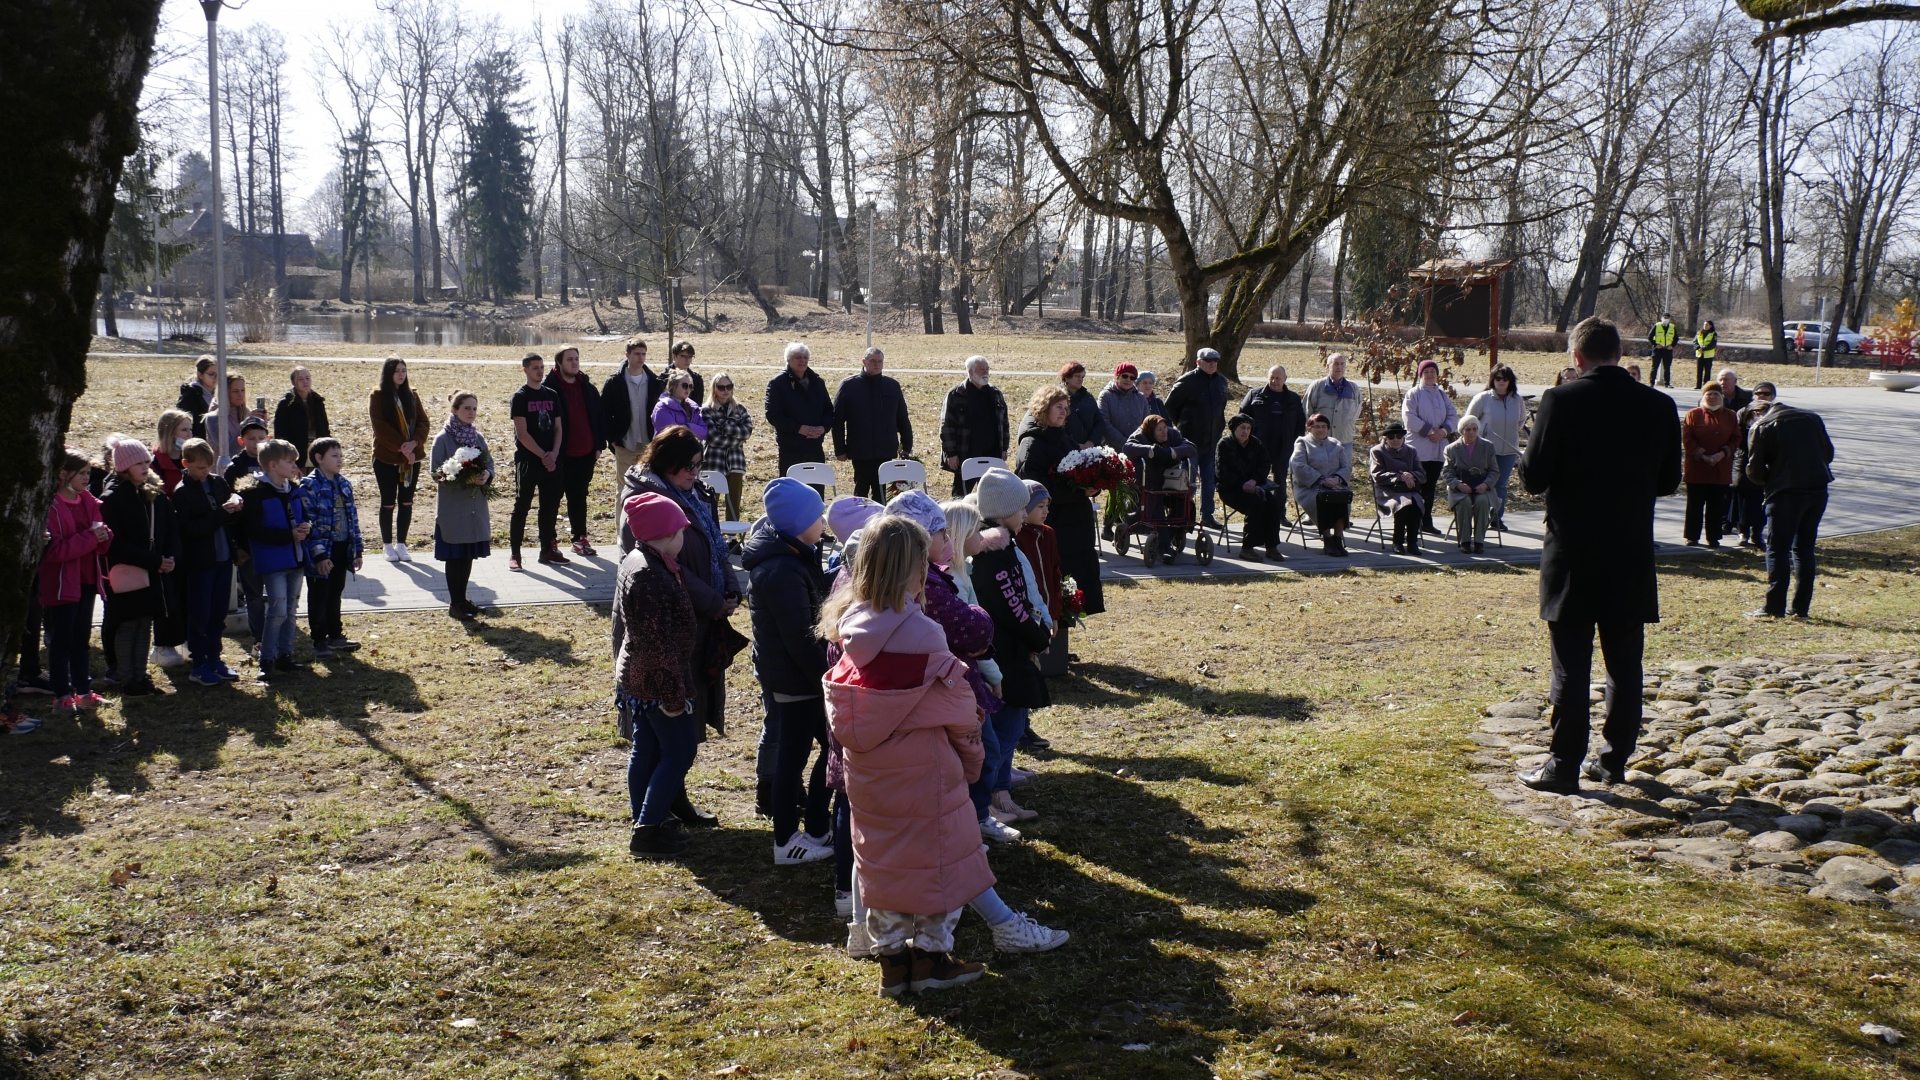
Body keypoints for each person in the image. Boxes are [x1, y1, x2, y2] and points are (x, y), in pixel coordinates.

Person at [817, 514, 993, 997]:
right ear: (915, 571)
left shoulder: (848, 628)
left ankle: (892, 965)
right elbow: (957, 708)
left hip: (868, 768)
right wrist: (973, 758)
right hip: (924, 767)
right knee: (940, 862)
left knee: (885, 862)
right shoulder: (923, 634)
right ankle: (931, 960)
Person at [1516, 316, 1682, 794]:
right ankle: (1613, 761)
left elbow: (1534, 479)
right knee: (1625, 666)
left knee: (1571, 664)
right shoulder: (1659, 404)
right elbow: (1669, 481)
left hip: (1573, 553)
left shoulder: (1560, 400)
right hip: (1629, 551)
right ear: (1619, 352)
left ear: (1576, 356)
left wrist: (1529, 452)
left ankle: (1564, 765)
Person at [616, 425, 741, 828]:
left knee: (683, 722)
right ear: (666, 463)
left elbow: (716, 546)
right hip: (667, 629)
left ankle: (667, 804)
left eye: (698, 465)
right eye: (687, 466)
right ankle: (653, 817)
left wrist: (731, 586)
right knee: (667, 734)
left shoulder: (695, 494)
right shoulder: (645, 502)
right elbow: (667, 568)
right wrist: (713, 601)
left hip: (696, 623)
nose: (694, 473)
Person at [745, 477, 835, 865]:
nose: (824, 522)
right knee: (793, 759)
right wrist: (828, 679)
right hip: (796, 680)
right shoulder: (781, 570)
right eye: (818, 516)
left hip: (803, 676)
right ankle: (785, 840)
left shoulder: (797, 553)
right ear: (798, 524)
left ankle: (816, 827)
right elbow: (800, 639)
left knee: (831, 747)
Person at [967, 468, 1051, 845]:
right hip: (1003, 652)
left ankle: (1001, 792)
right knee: (1006, 728)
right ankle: (993, 797)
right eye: (1020, 508)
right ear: (1004, 511)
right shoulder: (993, 552)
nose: (1024, 514)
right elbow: (1009, 606)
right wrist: (1036, 634)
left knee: (1012, 726)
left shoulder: (1006, 544)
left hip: (1011, 649)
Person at [616, 491, 702, 858]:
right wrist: (672, 696)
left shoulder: (641, 560)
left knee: (647, 749)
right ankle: (648, 830)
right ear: (666, 535)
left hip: (639, 676)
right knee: (679, 751)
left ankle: (647, 821)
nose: (683, 537)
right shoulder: (651, 576)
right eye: (681, 531)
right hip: (656, 682)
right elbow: (658, 644)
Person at [99, 436, 179, 696]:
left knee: (144, 624)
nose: (146, 467)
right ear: (124, 467)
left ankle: (140, 675)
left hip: (152, 571)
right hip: (127, 573)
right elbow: (115, 543)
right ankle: (127, 679)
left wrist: (168, 558)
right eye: (139, 463)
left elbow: (169, 528)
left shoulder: (152, 493)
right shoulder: (113, 498)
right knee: (127, 625)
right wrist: (154, 561)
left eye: (147, 462)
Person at [1744, 391, 1834, 620]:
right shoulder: (1811, 417)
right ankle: (1800, 608)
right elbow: (1828, 454)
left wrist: (1771, 479)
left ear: (1755, 414)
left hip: (1784, 493)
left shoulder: (1761, 426)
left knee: (1777, 549)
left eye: (1747, 423)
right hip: (1817, 489)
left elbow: (1754, 470)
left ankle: (1773, 607)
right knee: (1804, 549)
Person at [1014, 385, 1104, 615]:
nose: (1064, 412)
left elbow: (1082, 471)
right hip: (1053, 525)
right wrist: (1080, 492)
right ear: (1044, 408)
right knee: (1055, 588)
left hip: (1076, 526)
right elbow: (1035, 490)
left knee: (1074, 590)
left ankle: (1066, 626)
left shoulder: (1065, 439)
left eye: (1066, 407)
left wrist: (1095, 485)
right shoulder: (1032, 444)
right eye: (1058, 407)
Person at [39, 447, 111, 714]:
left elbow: (100, 536)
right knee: (62, 641)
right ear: (62, 474)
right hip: (62, 583)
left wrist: (105, 536)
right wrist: (92, 538)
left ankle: (83, 692)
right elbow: (55, 551)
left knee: (81, 639)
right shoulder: (52, 507)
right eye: (81, 473)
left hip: (87, 579)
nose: (86, 478)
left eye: (88, 473)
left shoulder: (88, 501)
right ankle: (61, 696)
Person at [171, 437, 242, 687]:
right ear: (186, 464)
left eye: (208, 467)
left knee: (218, 614)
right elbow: (191, 530)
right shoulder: (182, 492)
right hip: (200, 563)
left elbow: (229, 520)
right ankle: (199, 663)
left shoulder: (218, 483)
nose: (205, 471)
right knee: (200, 614)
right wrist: (222, 513)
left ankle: (215, 659)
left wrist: (236, 508)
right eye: (200, 467)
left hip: (223, 558)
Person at [239, 439, 311, 682]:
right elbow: (255, 531)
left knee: (290, 610)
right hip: (273, 562)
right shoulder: (255, 495)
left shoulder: (293, 489)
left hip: (296, 559)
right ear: (272, 465)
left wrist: (306, 527)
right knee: (278, 610)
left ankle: (284, 655)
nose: (294, 466)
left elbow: (304, 516)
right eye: (289, 462)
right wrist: (288, 535)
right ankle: (266, 659)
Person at [432, 391, 495, 621]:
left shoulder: (477, 437)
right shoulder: (443, 439)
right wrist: (462, 478)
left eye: (474, 408)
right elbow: (436, 473)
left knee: (467, 556)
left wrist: (486, 475)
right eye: (467, 408)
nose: (471, 412)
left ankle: (463, 599)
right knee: (455, 558)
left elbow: (490, 464)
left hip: (474, 509)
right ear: (454, 410)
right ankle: (455, 603)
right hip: (453, 510)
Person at [299, 437, 364, 659]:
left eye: (341, 456)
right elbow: (309, 522)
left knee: (336, 592)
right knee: (319, 594)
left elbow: (353, 518)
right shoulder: (309, 485)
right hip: (322, 549)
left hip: (342, 546)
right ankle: (319, 640)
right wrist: (318, 554)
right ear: (318, 458)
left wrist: (357, 549)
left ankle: (335, 635)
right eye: (334, 456)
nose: (340, 460)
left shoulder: (344, 483)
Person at [544, 346, 605, 557]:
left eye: (576, 359)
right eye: (569, 359)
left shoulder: (587, 387)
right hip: (560, 456)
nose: (574, 363)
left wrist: (598, 446)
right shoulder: (548, 389)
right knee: (553, 499)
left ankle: (579, 539)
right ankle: (549, 541)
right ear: (559, 363)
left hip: (585, 454)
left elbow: (599, 417)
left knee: (579, 498)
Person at [369, 356, 430, 563]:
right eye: (397, 371)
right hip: (386, 457)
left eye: (404, 370)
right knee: (388, 502)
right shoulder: (377, 395)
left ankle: (401, 544)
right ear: (388, 373)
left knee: (406, 501)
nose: (401, 374)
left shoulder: (412, 395)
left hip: (411, 458)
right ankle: (387, 545)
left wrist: (414, 443)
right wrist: (403, 448)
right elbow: (380, 427)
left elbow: (423, 422)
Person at [832, 347, 913, 500]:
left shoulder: (892, 386)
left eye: (880, 361)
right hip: (860, 449)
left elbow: (902, 417)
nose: (877, 364)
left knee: (881, 492)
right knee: (861, 490)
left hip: (885, 448)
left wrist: (907, 445)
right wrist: (840, 449)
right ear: (864, 362)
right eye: (873, 361)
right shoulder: (848, 386)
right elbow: (837, 421)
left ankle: (880, 516)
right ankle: (859, 514)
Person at [509, 352, 565, 570]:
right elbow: (522, 434)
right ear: (525, 370)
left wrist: (554, 453)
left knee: (549, 507)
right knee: (522, 506)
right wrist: (543, 455)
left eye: (542, 367)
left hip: (552, 460)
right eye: (535, 368)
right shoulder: (520, 397)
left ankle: (547, 549)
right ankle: (515, 554)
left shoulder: (552, 394)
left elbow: (558, 428)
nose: (540, 371)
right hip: (529, 461)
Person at [1164, 348, 1229, 526]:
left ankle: (1207, 516)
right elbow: (1169, 407)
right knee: (1188, 483)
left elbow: (1221, 408)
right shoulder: (1187, 381)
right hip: (1190, 443)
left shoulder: (1221, 381)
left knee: (1209, 483)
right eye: (1208, 361)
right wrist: (1183, 425)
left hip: (1212, 442)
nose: (1212, 364)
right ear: (1198, 362)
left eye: (1215, 361)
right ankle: (1182, 515)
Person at [225, 417, 270, 649]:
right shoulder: (235, 469)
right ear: (241, 441)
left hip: (273, 540)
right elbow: (229, 514)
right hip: (246, 541)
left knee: (276, 592)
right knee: (253, 594)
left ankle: (277, 635)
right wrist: (236, 546)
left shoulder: (274, 462)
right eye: (251, 438)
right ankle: (260, 638)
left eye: (261, 438)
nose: (256, 443)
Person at [1015, 480, 1067, 682]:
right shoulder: (1019, 536)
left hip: (1047, 604)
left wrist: (1054, 612)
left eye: (1047, 506)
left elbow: (1054, 572)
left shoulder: (1048, 533)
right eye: (1040, 506)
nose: (1046, 511)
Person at [1241, 365, 1305, 527]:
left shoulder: (1293, 398)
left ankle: (1279, 515)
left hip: (1283, 449)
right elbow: (1242, 419)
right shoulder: (1255, 395)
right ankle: (1255, 513)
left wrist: (1294, 442)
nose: (1275, 381)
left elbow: (1300, 424)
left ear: (1285, 379)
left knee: (1280, 484)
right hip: (1258, 449)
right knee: (1255, 479)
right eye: (1272, 378)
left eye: (1278, 378)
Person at [602, 335, 666, 496]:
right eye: (637, 354)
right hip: (625, 444)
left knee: (649, 489)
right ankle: (622, 515)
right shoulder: (614, 382)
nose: (641, 357)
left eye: (643, 354)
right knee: (624, 490)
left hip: (649, 444)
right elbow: (604, 413)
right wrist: (613, 439)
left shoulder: (654, 382)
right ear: (627, 355)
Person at [1215, 414, 1283, 562]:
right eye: (1242, 428)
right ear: (1234, 429)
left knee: (1273, 504)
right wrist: (1242, 485)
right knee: (1256, 504)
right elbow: (1222, 473)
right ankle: (1247, 548)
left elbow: (1265, 464)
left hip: (1255, 486)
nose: (1245, 431)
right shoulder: (1224, 444)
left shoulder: (1256, 443)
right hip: (1231, 489)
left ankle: (1272, 546)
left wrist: (1253, 481)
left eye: (1248, 428)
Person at [939, 356, 1010, 496]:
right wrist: (951, 453)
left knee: (991, 495)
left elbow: (1004, 422)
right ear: (970, 372)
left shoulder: (995, 393)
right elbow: (946, 426)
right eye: (982, 369)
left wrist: (1004, 448)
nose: (986, 373)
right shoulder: (956, 394)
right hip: (966, 454)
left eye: (987, 369)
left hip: (992, 453)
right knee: (960, 495)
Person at [1401, 358, 1458, 535]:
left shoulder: (1442, 395)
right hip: (1418, 450)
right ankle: (1412, 523)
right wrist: (1430, 432)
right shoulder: (1413, 394)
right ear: (1421, 375)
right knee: (1416, 487)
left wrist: (1444, 431)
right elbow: (1409, 418)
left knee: (1430, 488)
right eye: (1426, 372)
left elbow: (1453, 416)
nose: (1430, 374)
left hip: (1438, 451)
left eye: (1433, 371)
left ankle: (1426, 522)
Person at [1466, 365, 1526, 529]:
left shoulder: (1517, 400)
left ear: (1510, 381)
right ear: (1492, 380)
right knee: (1483, 483)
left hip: (1509, 450)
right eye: (1498, 378)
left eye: (1505, 379)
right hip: (1485, 450)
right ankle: (1479, 516)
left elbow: (1521, 421)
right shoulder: (1483, 398)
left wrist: (1510, 433)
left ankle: (1496, 518)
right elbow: (1469, 421)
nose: (1501, 382)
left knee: (1501, 485)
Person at [766, 341, 834, 482]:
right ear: (788, 360)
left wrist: (823, 428)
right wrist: (799, 428)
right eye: (798, 357)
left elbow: (829, 410)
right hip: (791, 448)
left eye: (805, 357)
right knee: (793, 490)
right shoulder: (777, 383)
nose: (802, 361)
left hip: (815, 446)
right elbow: (773, 415)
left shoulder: (818, 382)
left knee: (815, 489)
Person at [1289, 413, 1353, 556]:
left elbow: (1346, 466)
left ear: (1328, 429)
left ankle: (1338, 539)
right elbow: (1298, 465)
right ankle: (1327, 540)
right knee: (1323, 499)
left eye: (1324, 427)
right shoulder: (1302, 443)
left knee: (1341, 497)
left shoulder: (1336, 444)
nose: (1320, 430)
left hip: (1335, 484)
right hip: (1310, 486)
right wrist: (1322, 480)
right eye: (1316, 426)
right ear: (1309, 429)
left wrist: (1337, 479)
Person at [1681, 385, 1737, 548]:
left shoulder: (1730, 415)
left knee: (1716, 505)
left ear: (1721, 397)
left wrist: (1721, 454)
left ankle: (1713, 537)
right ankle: (1692, 536)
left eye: (1716, 394)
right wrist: (1704, 455)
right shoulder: (1693, 414)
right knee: (1695, 504)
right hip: (1697, 468)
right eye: (1709, 394)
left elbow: (1736, 438)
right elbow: (1688, 439)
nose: (1712, 397)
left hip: (1720, 468)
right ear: (1703, 396)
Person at [701, 374, 753, 520]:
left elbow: (747, 431)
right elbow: (714, 438)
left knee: (734, 504)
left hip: (736, 462)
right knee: (710, 502)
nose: (726, 390)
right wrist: (737, 440)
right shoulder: (706, 410)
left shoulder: (740, 409)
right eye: (721, 387)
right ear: (714, 389)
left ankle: (733, 533)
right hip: (713, 462)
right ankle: (709, 531)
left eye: (729, 387)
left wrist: (725, 429)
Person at [1443, 414, 1497, 553]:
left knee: (1482, 502)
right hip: (1460, 489)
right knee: (1464, 502)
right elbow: (1447, 473)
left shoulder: (1488, 446)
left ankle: (1479, 541)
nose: (1472, 432)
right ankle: (1465, 541)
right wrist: (1459, 485)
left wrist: (1485, 485)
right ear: (1462, 431)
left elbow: (1494, 471)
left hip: (1482, 488)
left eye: (1474, 429)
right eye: (1468, 429)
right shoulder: (1451, 449)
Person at [1369, 423, 1426, 554]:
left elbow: (1422, 474)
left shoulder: (1411, 450)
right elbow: (1377, 475)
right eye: (1391, 436)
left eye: (1399, 436)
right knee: (1403, 505)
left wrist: (1411, 475)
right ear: (1385, 438)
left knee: (1416, 504)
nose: (1395, 439)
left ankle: (1412, 543)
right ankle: (1398, 542)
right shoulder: (1377, 451)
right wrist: (1400, 476)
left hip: (1409, 489)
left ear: (1403, 437)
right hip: (1387, 490)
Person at [1731, 382, 1776, 547]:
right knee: (1743, 498)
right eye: (1758, 393)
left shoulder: (1776, 413)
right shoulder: (1744, 412)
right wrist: (1755, 447)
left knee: (1761, 500)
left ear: (1773, 396)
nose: (1761, 396)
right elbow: (1737, 436)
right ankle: (1743, 532)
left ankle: (1757, 534)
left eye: (1766, 393)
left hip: (1767, 462)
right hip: (1744, 460)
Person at [273, 365, 331, 468]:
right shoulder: (286, 404)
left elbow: (325, 428)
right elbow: (280, 433)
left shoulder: (317, 401)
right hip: (296, 452)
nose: (305, 382)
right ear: (293, 382)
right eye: (300, 379)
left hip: (317, 450)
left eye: (307, 378)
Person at [1060, 361, 1123, 450]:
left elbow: (1099, 421)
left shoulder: (1088, 397)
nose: (1080, 379)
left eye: (1082, 377)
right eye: (1077, 376)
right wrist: (1074, 444)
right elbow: (1055, 427)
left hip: (1090, 449)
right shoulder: (1058, 398)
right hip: (1065, 449)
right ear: (1066, 377)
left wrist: (1091, 441)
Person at [1305, 352, 1361, 447]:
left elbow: (1356, 413)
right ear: (1327, 366)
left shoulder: (1353, 388)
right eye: (1336, 364)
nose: (1339, 367)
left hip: (1344, 441)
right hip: (1319, 441)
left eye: (1342, 364)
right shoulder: (1317, 386)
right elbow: (1307, 412)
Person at [650, 370, 709, 441]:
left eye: (690, 386)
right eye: (685, 385)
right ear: (673, 386)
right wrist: (690, 429)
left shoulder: (693, 408)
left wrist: (686, 427)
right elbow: (673, 435)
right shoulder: (662, 407)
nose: (688, 389)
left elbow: (704, 432)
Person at [222, 373, 268, 459]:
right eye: (235, 391)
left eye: (243, 390)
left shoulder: (247, 412)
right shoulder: (214, 418)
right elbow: (229, 450)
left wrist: (262, 426)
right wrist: (246, 423)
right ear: (225, 393)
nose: (240, 395)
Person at [151, 409, 193, 494]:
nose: (190, 434)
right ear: (169, 433)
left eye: (190, 429)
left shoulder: (193, 455)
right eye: (184, 430)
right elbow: (161, 495)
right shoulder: (155, 463)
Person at [176, 355, 217, 438]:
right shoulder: (189, 396)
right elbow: (179, 424)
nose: (216, 378)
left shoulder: (222, 394)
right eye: (211, 374)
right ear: (200, 375)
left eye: (219, 374)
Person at [667, 340, 704, 405]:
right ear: (674, 356)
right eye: (683, 356)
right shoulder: (664, 378)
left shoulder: (697, 380)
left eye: (690, 356)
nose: (687, 360)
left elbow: (698, 404)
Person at [1648, 313, 1677, 387]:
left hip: (1667, 350)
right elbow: (1650, 337)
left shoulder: (1672, 327)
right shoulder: (1657, 326)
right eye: (1664, 318)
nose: (1666, 319)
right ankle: (1651, 383)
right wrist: (1655, 344)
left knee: (1667, 368)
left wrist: (1672, 346)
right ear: (1662, 318)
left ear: (1669, 319)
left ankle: (1667, 383)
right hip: (1658, 350)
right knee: (1655, 367)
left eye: (1667, 318)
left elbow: (1676, 338)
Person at [1693, 319, 1717, 389]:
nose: (1705, 326)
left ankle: (1706, 385)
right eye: (1704, 324)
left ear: (1710, 326)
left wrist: (1703, 349)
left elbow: (1712, 344)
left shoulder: (1713, 334)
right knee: (1699, 370)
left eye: (1706, 325)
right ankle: (1698, 385)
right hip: (1700, 354)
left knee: (1707, 371)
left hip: (1708, 356)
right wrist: (1698, 348)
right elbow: (1694, 342)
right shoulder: (1699, 333)